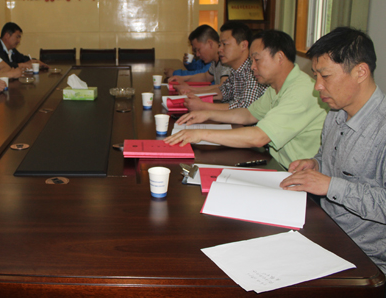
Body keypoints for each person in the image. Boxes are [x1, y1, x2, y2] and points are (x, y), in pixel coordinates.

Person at [279, 28, 386, 275]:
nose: (317, 86)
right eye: (315, 76)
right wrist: (315, 164)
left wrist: (330, 186)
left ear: (360, 72)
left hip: (365, 257)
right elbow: (329, 159)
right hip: (325, 230)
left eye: (325, 76)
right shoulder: (336, 114)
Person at [165, 30, 328, 169]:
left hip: (295, 173)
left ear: (279, 57)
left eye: (257, 60)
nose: (252, 67)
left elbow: (259, 137)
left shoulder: (302, 90)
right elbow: (248, 114)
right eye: (251, 61)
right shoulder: (275, 87)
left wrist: (200, 134)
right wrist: (206, 114)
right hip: (277, 163)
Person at [176, 22, 267, 111]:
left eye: (224, 44)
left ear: (243, 45)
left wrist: (203, 106)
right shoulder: (235, 70)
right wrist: (192, 92)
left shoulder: (253, 70)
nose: (219, 49)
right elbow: (223, 91)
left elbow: (244, 108)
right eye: (220, 45)